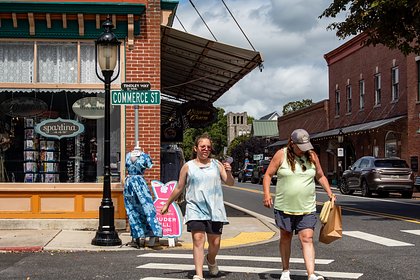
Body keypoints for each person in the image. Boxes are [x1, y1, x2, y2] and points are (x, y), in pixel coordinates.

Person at [262, 129, 336, 280]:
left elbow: (320, 176)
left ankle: (311, 274)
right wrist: (267, 194)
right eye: (300, 146)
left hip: (306, 206)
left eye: (305, 146)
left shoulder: (312, 155)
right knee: (286, 236)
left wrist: (330, 192)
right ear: (292, 143)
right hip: (284, 206)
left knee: (307, 238)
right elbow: (268, 175)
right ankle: (285, 270)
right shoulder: (281, 154)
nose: (304, 149)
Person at [161, 133, 234, 280]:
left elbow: (230, 182)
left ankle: (211, 260)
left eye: (208, 147)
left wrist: (229, 171)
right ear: (196, 148)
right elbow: (179, 187)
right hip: (195, 209)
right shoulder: (188, 166)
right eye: (202, 146)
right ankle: (199, 274)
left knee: (215, 243)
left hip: (215, 209)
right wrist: (167, 203)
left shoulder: (217, 165)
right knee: (199, 239)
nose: (205, 149)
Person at [124, 146, 162, 248]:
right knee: (131, 210)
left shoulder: (145, 156)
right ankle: (136, 236)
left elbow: (149, 165)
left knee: (147, 209)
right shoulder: (128, 155)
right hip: (129, 185)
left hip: (140, 185)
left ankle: (153, 233)